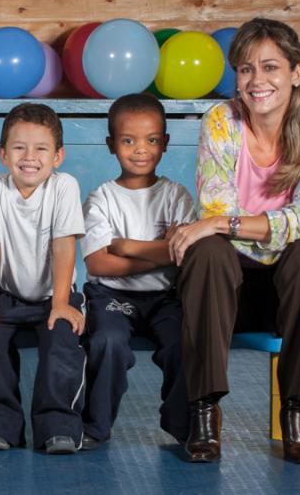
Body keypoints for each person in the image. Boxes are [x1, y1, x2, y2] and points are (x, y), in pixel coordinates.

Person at [168, 18, 300, 463]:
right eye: (246, 69)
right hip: (223, 292)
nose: (256, 80)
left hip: (291, 292)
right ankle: (205, 414)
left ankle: (296, 413)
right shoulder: (220, 122)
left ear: (296, 74)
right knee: (208, 251)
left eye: (270, 67)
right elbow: (217, 210)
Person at [0, 103, 86, 454]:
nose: (29, 157)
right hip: (8, 295)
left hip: (55, 295)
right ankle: (0, 425)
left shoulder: (64, 188)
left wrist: (61, 302)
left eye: (41, 149)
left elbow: (64, 248)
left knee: (62, 343)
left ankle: (57, 426)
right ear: (3, 154)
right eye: (19, 147)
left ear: (58, 156)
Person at [80, 93, 194, 451]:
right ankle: (96, 426)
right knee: (107, 342)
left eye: (151, 140)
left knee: (184, 344)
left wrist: (127, 246)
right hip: (111, 296)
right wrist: (163, 250)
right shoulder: (101, 198)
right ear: (111, 145)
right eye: (128, 141)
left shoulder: (177, 196)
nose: (140, 149)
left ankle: (183, 425)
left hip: (165, 298)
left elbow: (186, 256)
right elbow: (98, 263)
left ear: (165, 143)